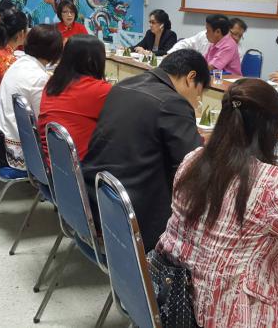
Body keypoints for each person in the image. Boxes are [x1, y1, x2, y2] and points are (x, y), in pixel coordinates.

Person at [156, 79, 278, 327]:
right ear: (269, 131)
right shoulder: (268, 183)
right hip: (233, 316)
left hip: (177, 299)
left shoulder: (192, 160)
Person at [82, 49, 210, 250]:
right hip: (134, 215)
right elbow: (192, 167)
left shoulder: (123, 85)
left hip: (95, 195)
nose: (196, 100)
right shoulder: (173, 102)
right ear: (190, 77)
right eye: (199, 92)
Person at [0, 24, 63, 170]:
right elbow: (42, 120)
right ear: (56, 51)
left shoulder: (19, 62)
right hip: (14, 151)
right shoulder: (39, 78)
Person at [38, 35, 112, 161]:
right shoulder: (100, 90)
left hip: (49, 160)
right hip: (78, 165)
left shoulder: (53, 83)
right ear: (92, 60)